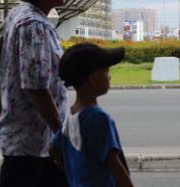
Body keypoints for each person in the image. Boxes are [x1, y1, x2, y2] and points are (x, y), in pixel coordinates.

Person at [0, 0, 69, 187]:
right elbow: (36, 87)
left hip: (37, 146)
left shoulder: (21, 16)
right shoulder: (32, 25)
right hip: (30, 149)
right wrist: (62, 134)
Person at [52, 43, 133, 187]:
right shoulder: (98, 118)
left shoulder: (70, 115)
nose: (110, 77)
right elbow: (115, 166)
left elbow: (53, 149)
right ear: (94, 79)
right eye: (107, 71)